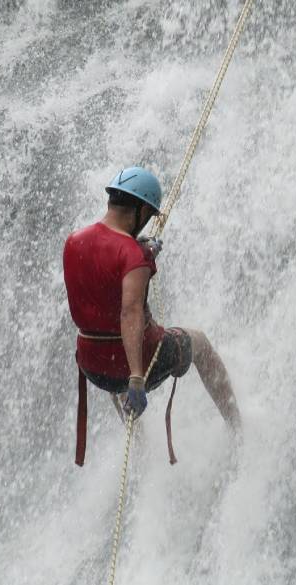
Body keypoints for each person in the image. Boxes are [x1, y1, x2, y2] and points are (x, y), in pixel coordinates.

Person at [63, 166, 241, 465]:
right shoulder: (133, 256)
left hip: (92, 364)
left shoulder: (73, 241)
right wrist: (136, 378)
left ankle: (141, 449)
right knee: (199, 342)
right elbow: (130, 311)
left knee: (113, 354)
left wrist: (139, 254)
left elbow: (104, 280)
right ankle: (237, 430)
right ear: (142, 210)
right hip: (135, 364)